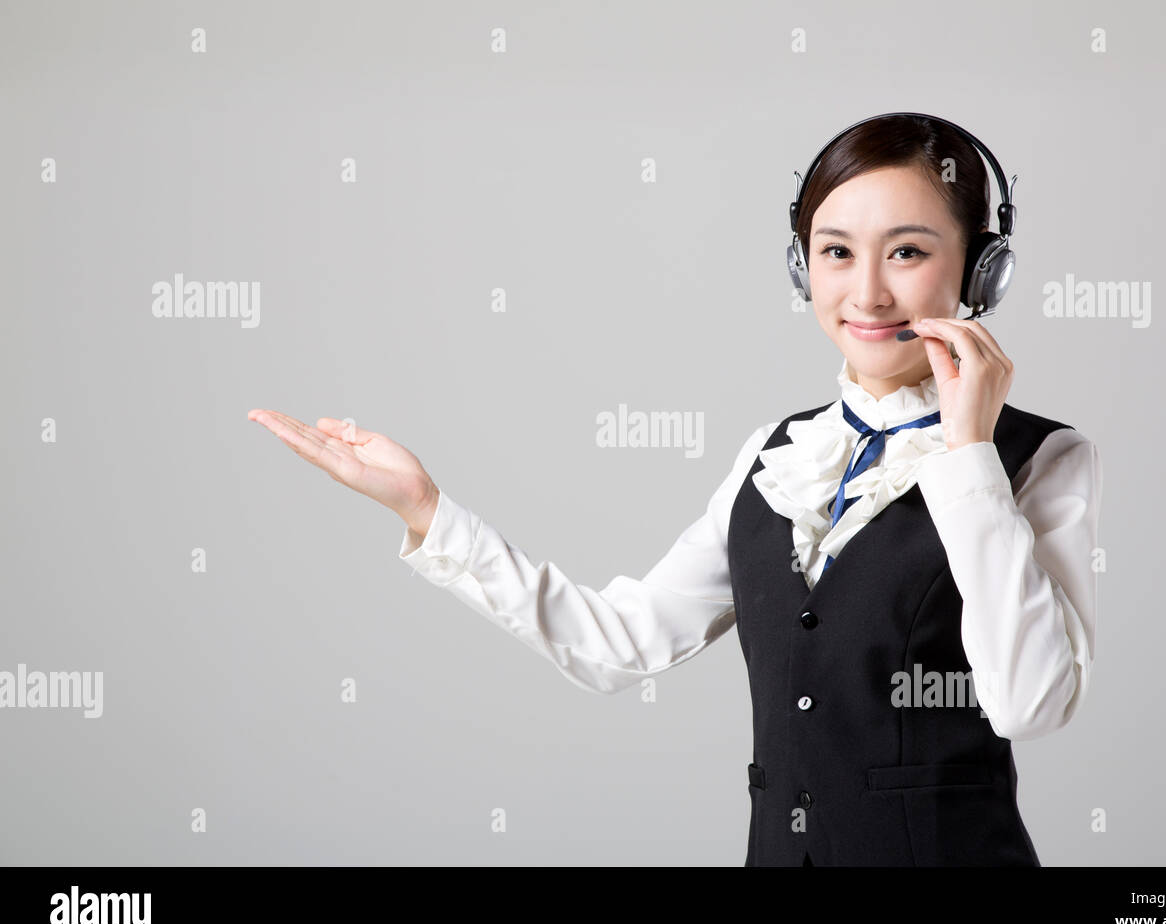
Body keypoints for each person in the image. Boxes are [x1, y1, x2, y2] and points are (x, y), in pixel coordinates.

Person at [248, 113, 1101, 867]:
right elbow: (621, 643)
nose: (866, 291)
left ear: (983, 273)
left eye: (908, 252)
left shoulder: (1037, 460)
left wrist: (967, 457)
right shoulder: (774, 456)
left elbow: (1030, 702)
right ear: (804, 267)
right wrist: (426, 512)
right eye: (836, 252)